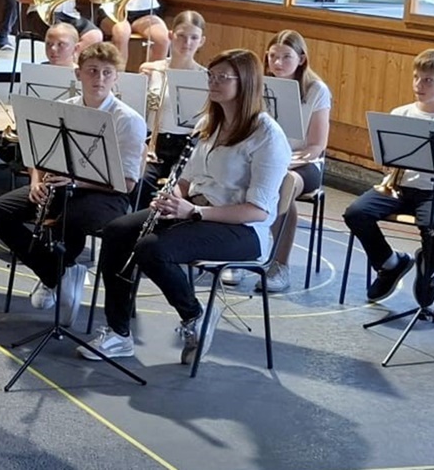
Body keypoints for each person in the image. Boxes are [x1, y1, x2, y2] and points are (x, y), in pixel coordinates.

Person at [88, 49, 289, 363]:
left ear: (246, 82)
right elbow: (188, 178)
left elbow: (258, 211)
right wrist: (172, 197)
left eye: (224, 77)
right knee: (117, 232)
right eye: (212, 76)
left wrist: (193, 211)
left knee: (151, 249)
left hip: (242, 230)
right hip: (196, 212)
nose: (214, 82)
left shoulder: (267, 136)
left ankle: (195, 317)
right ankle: (118, 333)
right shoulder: (210, 124)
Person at [0, 41, 147, 322]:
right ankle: (55, 273)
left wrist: (76, 182)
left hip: (107, 194)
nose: (99, 79)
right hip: (61, 185)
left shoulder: (128, 120)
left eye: (107, 73)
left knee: (69, 219)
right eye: (92, 71)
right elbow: (37, 154)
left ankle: (58, 272)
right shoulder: (63, 109)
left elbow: (128, 183)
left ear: (116, 77)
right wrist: (36, 181)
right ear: (78, 74)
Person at [344, 48, 434, 307]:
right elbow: (387, 159)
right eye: (416, 77)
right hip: (400, 186)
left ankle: (429, 269)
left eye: (428, 80)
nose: (418, 84)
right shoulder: (401, 113)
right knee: (355, 213)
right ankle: (390, 263)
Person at [253, 29, 330, 293]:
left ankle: (279, 264)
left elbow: (316, 146)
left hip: (303, 164)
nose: (278, 63)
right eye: (273, 56)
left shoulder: (316, 90)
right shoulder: (260, 85)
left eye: (286, 57)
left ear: (301, 59)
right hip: (267, 158)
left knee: (282, 183)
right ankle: (242, 254)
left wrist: (284, 162)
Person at [137, 11, 208, 207]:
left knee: (173, 192)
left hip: (185, 147)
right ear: (170, 36)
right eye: (181, 36)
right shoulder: (151, 69)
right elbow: (140, 112)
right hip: (153, 144)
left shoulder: (205, 78)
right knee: (140, 183)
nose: (187, 43)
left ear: (201, 41)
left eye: (194, 38)